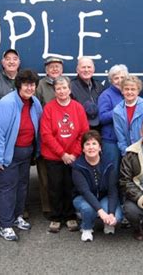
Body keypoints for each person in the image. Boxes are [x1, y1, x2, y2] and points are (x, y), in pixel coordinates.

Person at [0, 69, 43, 241]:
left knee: (22, 186)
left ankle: (17, 216)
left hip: (26, 152)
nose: (30, 88)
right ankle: (5, 225)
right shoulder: (6, 103)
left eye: (33, 85)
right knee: (6, 189)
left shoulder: (35, 102)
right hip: (8, 155)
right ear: (19, 85)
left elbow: (38, 128)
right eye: (26, 85)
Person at [40, 76, 89, 233]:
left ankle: (70, 216)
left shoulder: (77, 107)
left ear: (69, 89)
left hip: (73, 155)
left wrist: (74, 153)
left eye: (64, 88)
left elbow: (83, 132)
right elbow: (46, 134)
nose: (61, 91)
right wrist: (62, 154)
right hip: (54, 156)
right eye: (58, 89)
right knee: (55, 186)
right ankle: (56, 217)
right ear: (54, 91)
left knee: (70, 186)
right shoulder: (49, 108)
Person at [72, 130, 123, 242]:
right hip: (83, 198)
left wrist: (111, 213)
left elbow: (112, 191)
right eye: (87, 144)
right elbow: (85, 192)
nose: (91, 147)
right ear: (83, 149)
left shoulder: (109, 164)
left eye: (94, 144)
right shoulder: (77, 166)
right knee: (88, 208)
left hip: (103, 196)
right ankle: (86, 227)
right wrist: (101, 212)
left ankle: (108, 223)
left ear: (100, 147)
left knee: (118, 216)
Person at [35, 56, 64, 214]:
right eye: (51, 66)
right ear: (46, 70)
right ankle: (48, 208)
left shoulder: (67, 83)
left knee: (63, 176)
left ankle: (65, 207)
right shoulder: (40, 85)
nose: (54, 69)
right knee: (45, 176)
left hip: (64, 135)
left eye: (57, 66)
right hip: (45, 134)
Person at [113, 75, 143, 157]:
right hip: (127, 153)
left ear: (138, 91)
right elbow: (120, 137)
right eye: (126, 89)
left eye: (133, 89)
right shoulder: (117, 111)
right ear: (122, 91)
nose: (129, 92)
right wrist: (127, 153)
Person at [98, 64, 129, 174]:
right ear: (111, 80)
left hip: (128, 141)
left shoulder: (130, 93)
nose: (120, 81)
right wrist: (118, 111)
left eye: (122, 78)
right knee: (112, 173)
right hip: (111, 142)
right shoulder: (106, 95)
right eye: (116, 78)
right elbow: (101, 118)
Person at [70, 57, 105, 130]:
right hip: (79, 128)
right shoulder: (70, 87)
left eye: (89, 67)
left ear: (93, 69)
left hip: (98, 129)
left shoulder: (99, 86)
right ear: (77, 70)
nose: (86, 70)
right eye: (83, 67)